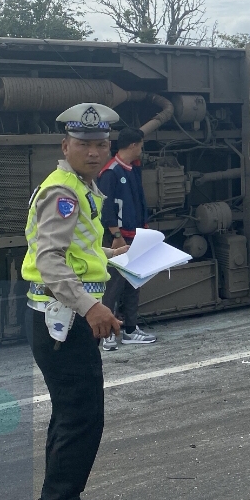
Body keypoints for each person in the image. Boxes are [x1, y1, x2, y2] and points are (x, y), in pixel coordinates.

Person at [22, 103, 125, 500]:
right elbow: (49, 260)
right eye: (84, 144)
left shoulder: (77, 186)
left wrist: (110, 255)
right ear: (66, 145)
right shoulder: (64, 192)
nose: (95, 152)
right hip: (62, 318)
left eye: (101, 144)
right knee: (82, 418)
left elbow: (73, 251)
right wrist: (91, 305)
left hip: (59, 316)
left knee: (70, 414)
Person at [96, 126, 156, 350]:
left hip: (135, 236)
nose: (141, 149)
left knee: (133, 283)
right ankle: (107, 334)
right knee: (112, 285)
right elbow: (106, 206)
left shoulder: (131, 169)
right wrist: (116, 235)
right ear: (133, 145)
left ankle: (130, 329)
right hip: (119, 239)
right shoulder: (111, 172)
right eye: (140, 144)